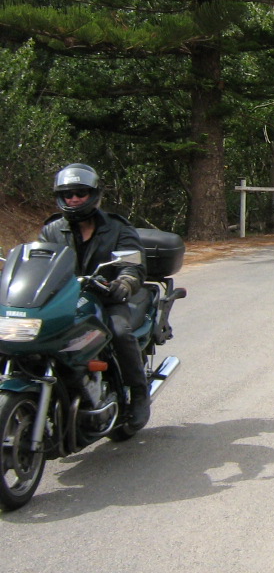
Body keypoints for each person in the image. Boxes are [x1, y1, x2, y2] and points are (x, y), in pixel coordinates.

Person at [38, 164, 152, 430]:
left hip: (105, 300)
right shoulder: (51, 231)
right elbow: (38, 265)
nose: (74, 199)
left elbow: (132, 265)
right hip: (63, 304)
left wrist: (125, 282)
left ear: (94, 194)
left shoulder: (117, 228)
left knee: (119, 332)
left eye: (81, 193)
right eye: (68, 194)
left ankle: (138, 394)